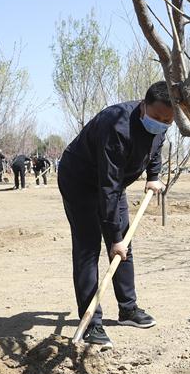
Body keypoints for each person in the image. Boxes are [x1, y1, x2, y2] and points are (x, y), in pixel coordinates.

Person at [57, 81, 171, 347]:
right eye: (157, 117)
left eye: (168, 120)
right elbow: (107, 186)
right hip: (80, 181)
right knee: (88, 248)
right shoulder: (116, 125)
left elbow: (155, 146)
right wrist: (114, 238)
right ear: (143, 106)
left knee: (123, 247)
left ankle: (128, 310)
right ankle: (91, 323)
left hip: (114, 184)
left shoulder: (162, 123)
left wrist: (153, 175)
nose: (162, 123)